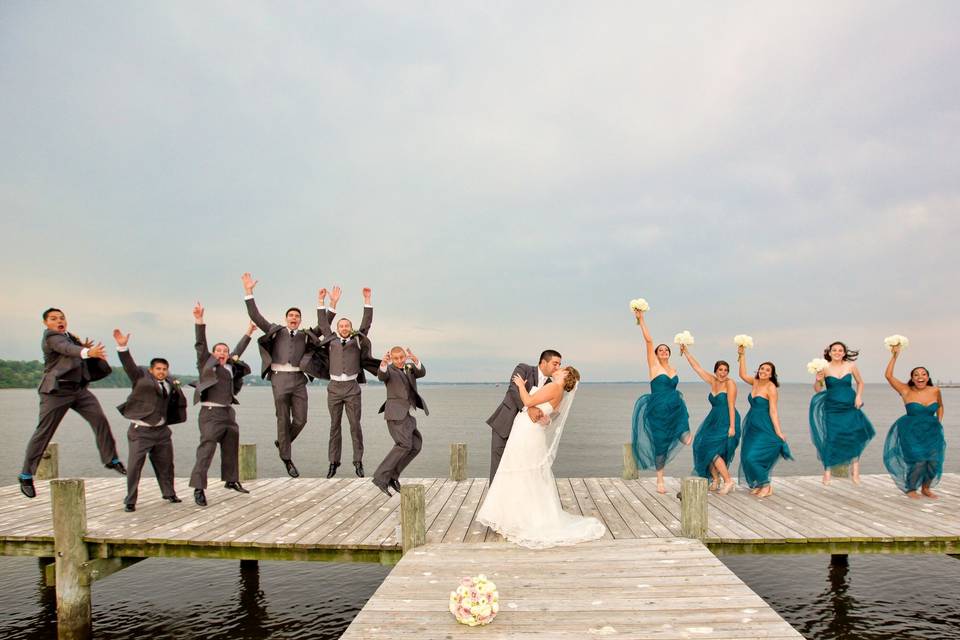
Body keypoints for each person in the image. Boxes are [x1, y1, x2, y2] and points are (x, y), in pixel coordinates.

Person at [476, 366, 605, 548]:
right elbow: (548, 415)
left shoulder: (554, 387)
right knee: (527, 473)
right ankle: (520, 514)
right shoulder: (559, 392)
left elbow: (528, 401)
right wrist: (545, 417)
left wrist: (521, 385)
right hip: (533, 431)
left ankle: (515, 517)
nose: (559, 368)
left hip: (527, 431)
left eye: (563, 368)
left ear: (566, 375)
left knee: (517, 469)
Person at [18, 308, 125, 499]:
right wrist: (85, 351)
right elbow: (67, 349)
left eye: (62, 317)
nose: (59, 321)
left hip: (79, 390)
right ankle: (26, 475)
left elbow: (75, 350)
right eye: (53, 318)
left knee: (99, 419)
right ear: (46, 323)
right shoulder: (51, 337)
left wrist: (90, 353)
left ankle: (111, 459)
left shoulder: (71, 337)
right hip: (56, 392)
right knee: (44, 432)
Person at [241, 273, 334, 478]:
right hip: (279, 378)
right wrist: (249, 292)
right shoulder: (276, 331)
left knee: (301, 420)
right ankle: (287, 459)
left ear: (300, 320)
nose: (294, 319)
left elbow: (324, 325)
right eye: (291, 316)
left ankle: (283, 441)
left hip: (299, 380)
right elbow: (256, 316)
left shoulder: (305, 335)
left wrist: (329, 303)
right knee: (282, 419)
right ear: (286, 318)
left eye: (297, 317)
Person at [188, 303, 255, 507]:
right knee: (206, 450)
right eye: (218, 350)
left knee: (230, 447)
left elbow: (238, 351)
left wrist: (249, 332)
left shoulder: (230, 366)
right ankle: (199, 488)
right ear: (213, 353)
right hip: (210, 413)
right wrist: (199, 321)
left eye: (225, 351)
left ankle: (231, 480)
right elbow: (200, 344)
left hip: (228, 413)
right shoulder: (206, 364)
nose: (222, 353)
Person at [113, 329, 187, 512]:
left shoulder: (170, 381)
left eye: (164, 369)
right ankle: (130, 500)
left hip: (162, 432)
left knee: (166, 464)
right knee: (135, 466)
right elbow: (129, 365)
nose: (161, 372)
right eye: (158, 369)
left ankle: (169, 493)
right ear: (151, 370)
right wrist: (122, 347)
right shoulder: (140, 378)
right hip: (141, 431)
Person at [316, 286, 378, 478]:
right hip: (334, 388)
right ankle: (333, 462)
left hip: (352, 388)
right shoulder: (330, 340)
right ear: (337, 329)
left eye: (346, 326)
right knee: (334, 426)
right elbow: (322, 323)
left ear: (350, 329)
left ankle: (358, 461)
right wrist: (323, 303)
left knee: (354, 425)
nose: (344, 328)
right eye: (341, 326)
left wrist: (367, 300)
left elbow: (366, 324)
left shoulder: (357, 340)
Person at [630, 308, 691, 494]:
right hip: (657, 410)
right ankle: (660, 479)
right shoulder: (654, 366)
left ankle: (682, 433)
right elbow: (649, 341)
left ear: (669, 354)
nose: (663, 351)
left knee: (686, 438)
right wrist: (642, 320)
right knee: (661, 445)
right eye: (660, 350)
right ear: (656, 354)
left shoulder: (674, 369)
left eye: (666, 350)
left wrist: (686, 351)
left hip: (675, 408)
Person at [485, 350, 561, 481]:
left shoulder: (552, 384)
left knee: (519, 466)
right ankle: (497, 499)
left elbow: (554, 409)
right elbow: (514, 389)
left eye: (559, 364)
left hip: (526, 434)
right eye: (555, 363)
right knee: (499, 466)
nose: (558, 367)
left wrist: (547, 420)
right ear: (544, 362)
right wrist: (529, 408)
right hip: (504, 424)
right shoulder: (523, 369)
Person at [882, 345, 945, 499]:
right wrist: (895, 356)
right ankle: (911, 488)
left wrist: (939, 421)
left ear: (927, 377)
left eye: (923, 374)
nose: (919, 376)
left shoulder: (935, 390)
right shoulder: (905, 390)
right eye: (916, 374)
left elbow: (940, 406)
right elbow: (889, 376)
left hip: (931, 430)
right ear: (912, 378)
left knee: (933, 461)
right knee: (918, 461)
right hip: (910, 431)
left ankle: (925, 488)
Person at [809, 341, 876, 485]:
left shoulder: (851, 366)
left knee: (853, 436)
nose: (837, 352)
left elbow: (860, 382)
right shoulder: (824, 368)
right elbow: (817, 389)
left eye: (840, 350)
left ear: (844, 353)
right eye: (834, 350)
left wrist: (858, 396)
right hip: (832, 407)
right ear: (830, 352)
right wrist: (818, 380)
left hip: (850, 405)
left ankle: (855, 472)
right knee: (832, 438)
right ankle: (827, 473)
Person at [680, 345, 741, 495]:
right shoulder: (712, 381)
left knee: (713, 450)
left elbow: (732, 405)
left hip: (727, 419)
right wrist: (686, 352)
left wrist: (732, 427)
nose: (723, 373)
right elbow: (697, 368)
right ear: (716, 371)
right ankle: (715, 479)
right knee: (702, 445)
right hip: (713, 420)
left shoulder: (730, 384)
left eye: (726, 370)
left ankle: (728, 481)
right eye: (720, 370)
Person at [371, 346, 428, 496]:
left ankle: (392, 476)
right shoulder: (388, 370)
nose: (399, 361)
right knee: (403, 444)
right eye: (396, 358)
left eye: (401, 357)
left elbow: (421, 372)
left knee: (416, 445)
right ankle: (380, 477)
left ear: (405, 357)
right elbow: (381, 376)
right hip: (395, 414)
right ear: (391, 359)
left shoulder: (409, 368)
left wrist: (415, 360)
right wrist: (383, 364)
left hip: (407, 414)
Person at [737, 346, 791, 498]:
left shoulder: (771, 387)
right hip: (751, 425)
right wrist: (742, 355)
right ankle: (759, 483)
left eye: (768, 370)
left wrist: (779, 431)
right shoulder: (755, 382)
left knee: (752, 457)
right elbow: (741, 374)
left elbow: (773, 411)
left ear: (772, 374)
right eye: (762, 368)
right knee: (746, 456)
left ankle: (766, 485)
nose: (764, 371)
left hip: (764, 425)